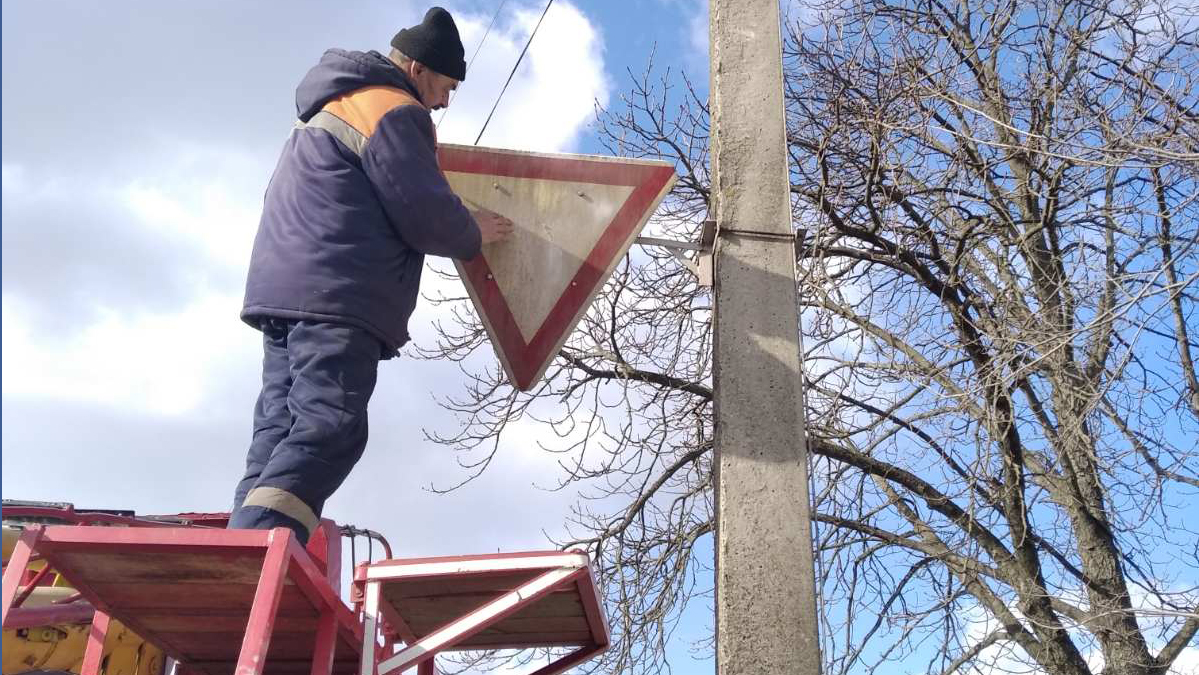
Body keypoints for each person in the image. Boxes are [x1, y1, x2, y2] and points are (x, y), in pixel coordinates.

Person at [228, 7, 513, 544]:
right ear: (419, 68)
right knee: (330, 424)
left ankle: (242, 545)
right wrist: (473, 230)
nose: (445, 101)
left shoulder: (329, 105)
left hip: (283, 292)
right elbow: (422, 209)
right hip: (339, 296)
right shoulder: (395, 110)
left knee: (279, 429)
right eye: (447, 85)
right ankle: (259, 551)